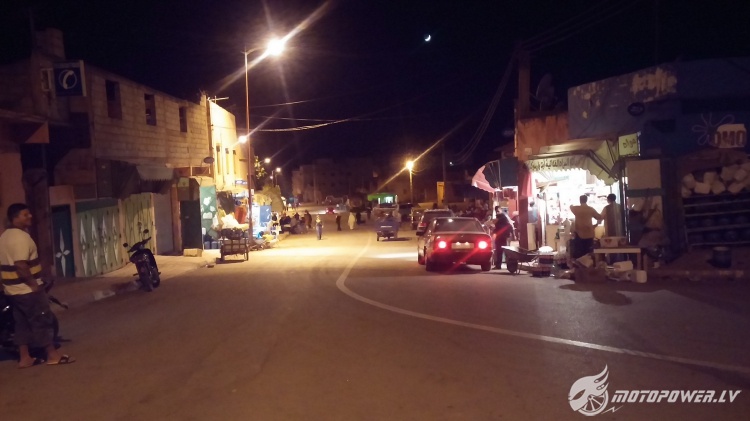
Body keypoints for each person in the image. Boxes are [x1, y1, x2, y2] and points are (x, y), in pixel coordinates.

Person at [0, 203, 75, 368]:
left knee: (21, 324)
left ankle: (24, 358)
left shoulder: (4, 237)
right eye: (25, 215)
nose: (30, 216)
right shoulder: (20, 238)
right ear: (15, 218)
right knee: (41, 320)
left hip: (13, 291)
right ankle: (52, 355)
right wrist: (33, 284)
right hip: (26, 290)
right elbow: (20, 265)